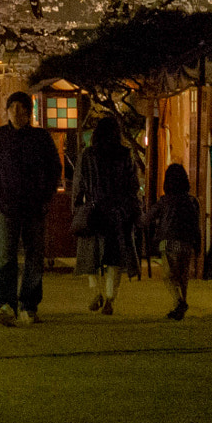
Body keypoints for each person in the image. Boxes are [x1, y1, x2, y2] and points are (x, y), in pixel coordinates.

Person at [0, 91, 64, 326]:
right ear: (7, 111)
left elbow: (54, 169)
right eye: (13, 107)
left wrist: (44, 196)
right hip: (6, 207)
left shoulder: (41, 138)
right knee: (6, 257)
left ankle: (29, 304)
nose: (17, 111)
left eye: (21, 107)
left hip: (34, 207)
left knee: (34, 256)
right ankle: (5, 304)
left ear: (29, 111)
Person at [72, 115, 141, 315]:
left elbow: (79, 185)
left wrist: (77, 208)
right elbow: (133, 185)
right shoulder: (125, 155)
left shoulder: (87, 155)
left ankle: (96, 292)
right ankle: (111, 297)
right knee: (114, 258)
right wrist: (132, 210)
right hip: (118, 213)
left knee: (89, 255)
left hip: (93, 210)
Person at [144, 163, 202, 321]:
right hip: (187, 243)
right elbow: (196, 225)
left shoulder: (164, 201)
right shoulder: (192, 201)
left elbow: (147, 218)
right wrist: (198, 244)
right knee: (183, 277)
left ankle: (179, 302)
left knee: (168, 276)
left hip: (168, 242)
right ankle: (181, 305)